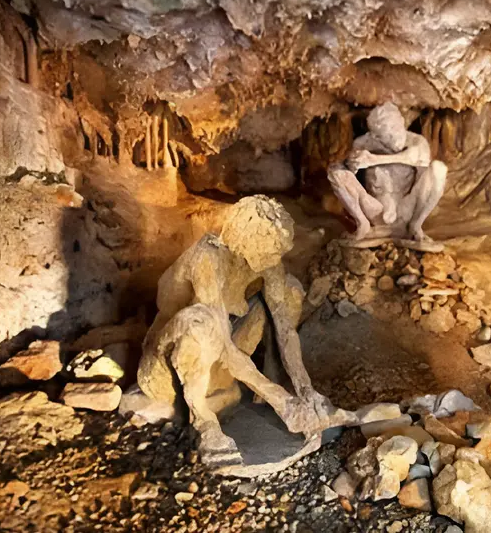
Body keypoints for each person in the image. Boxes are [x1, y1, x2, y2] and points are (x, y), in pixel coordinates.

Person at [137, 196, 354, 465]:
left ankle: (273, 394)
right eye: (269, 251)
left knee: (289, 290)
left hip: (218, 368)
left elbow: (286, 331)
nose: (274, 259)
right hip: (169, 373)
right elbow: (222, 344)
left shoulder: (266, 262)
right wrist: (283, 402)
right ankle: (204, 422)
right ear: (248, 238)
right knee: (200, 320)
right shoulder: (208, 258)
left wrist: (306, 391)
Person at [328, 103, 447, 247]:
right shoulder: (364, 142)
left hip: (405, 208)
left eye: (396, 128)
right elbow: (351, 171)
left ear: (402, 122)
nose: (394, 134)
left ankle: (416, 225)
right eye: (387, 133)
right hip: (375, 208)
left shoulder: (416, 141)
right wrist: (355, 163)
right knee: (336, 173)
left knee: (438, 169)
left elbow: (414, 158)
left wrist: (374, 159)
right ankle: (363, 224)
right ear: (376, 136)